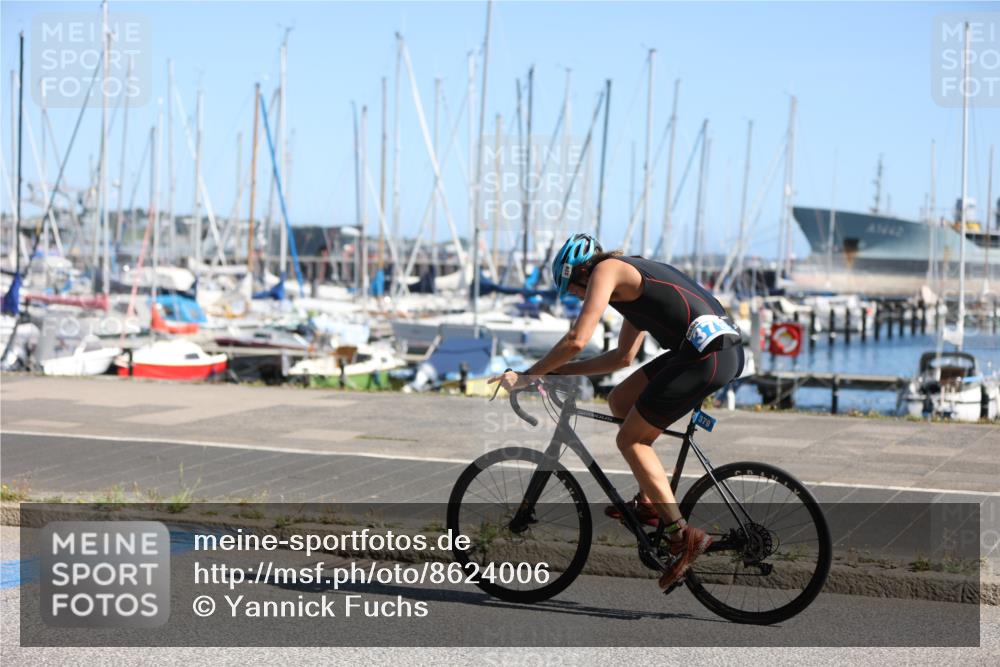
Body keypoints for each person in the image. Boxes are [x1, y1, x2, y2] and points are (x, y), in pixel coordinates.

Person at [489, 232, 744, 591]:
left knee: (630, 441)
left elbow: (577, 339)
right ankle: (650, 502)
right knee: (621, 401)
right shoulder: (631, 285)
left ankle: (682, 536)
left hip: (706, 357)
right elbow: (621, 358)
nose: (577, 296)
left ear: (581, 272)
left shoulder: (607, 270)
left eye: (572, 288)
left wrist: (529, 375)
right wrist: (557, 372)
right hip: (710, 352)